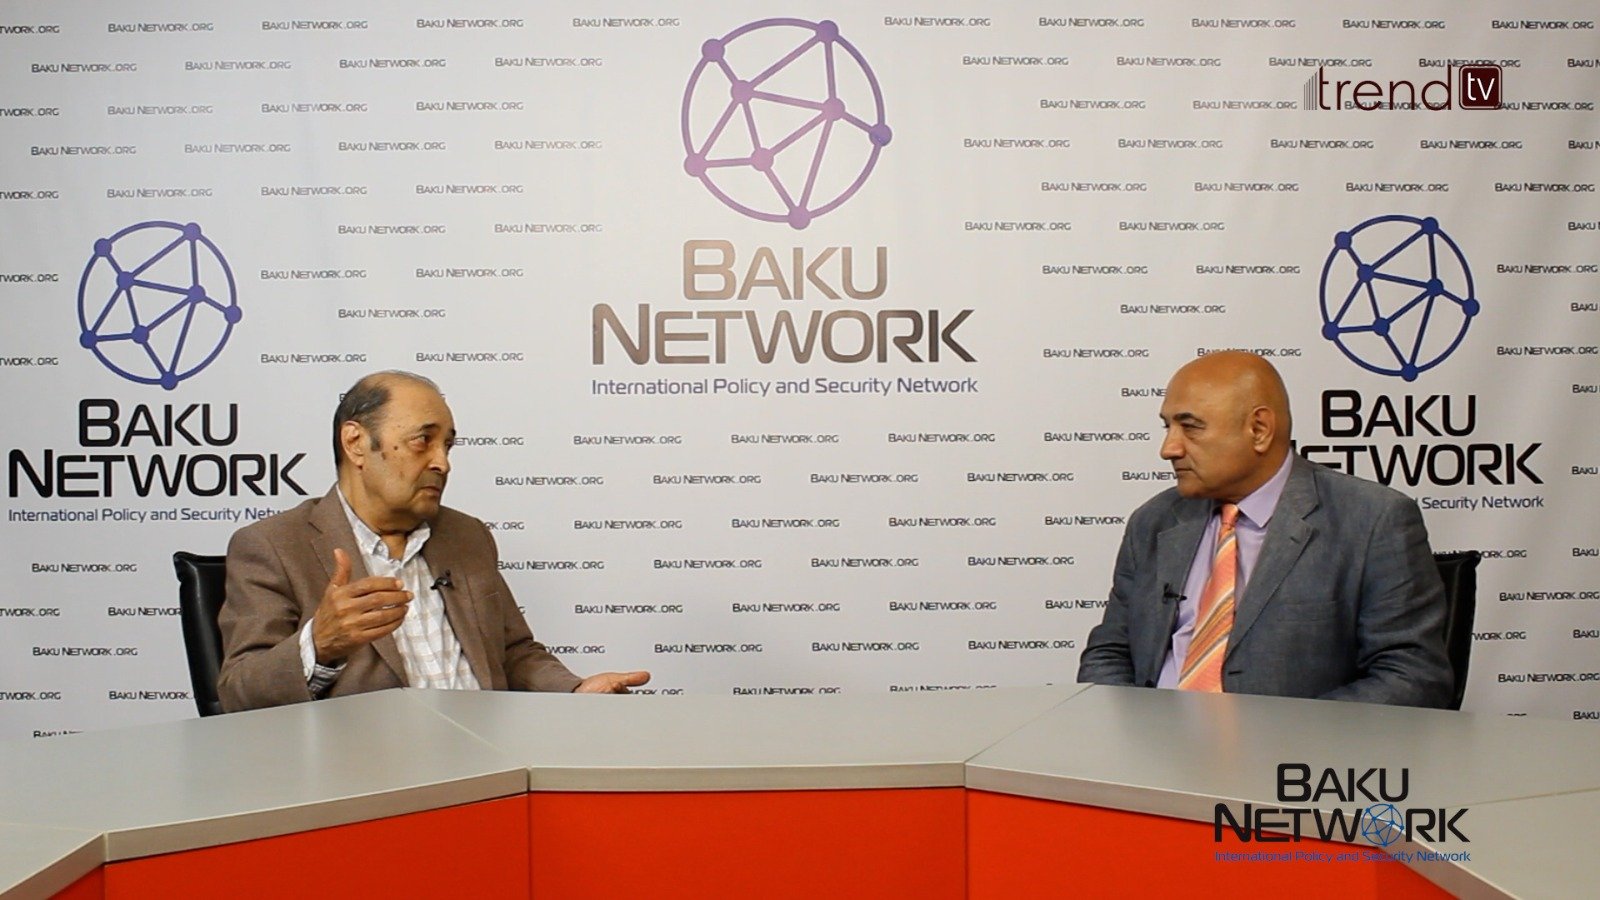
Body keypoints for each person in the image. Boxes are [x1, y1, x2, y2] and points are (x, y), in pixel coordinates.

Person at [218, 371, 649, 712]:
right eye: (422, 441)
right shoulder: (273, 546)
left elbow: (512, 652)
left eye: (448, 446)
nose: (442, 463)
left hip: (490, 762)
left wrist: (574, 692)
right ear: (356, 443)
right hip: (367, 777)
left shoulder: (467, 536)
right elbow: (239, 693)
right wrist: (319, 645)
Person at [1077, 351, 1452, 707]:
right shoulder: (1153, 521)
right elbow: (1109, 652)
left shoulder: (1373, 520)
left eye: (1190, 427)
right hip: (1154, 744)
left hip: (1295, 749)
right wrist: (1137, 731)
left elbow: (1412, 676)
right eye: (1168, 427)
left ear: (1259, 429)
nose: (1169, 448)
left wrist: (1279, 739)